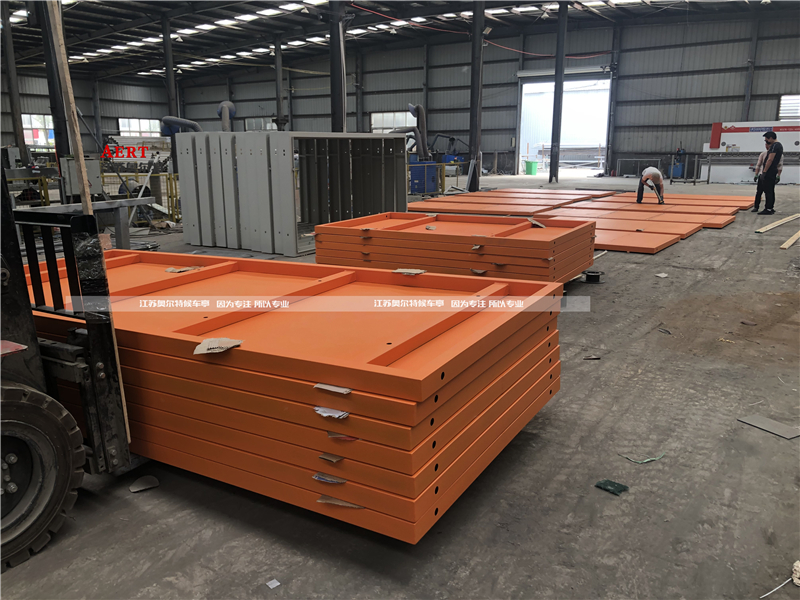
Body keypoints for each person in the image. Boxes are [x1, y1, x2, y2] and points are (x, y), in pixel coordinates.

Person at [752, 139, 784, 212]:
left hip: (770, 174)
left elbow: (780, 166)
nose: (767, 146)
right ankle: (756, 207)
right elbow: (758, 164)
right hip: (762, 175)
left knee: (769, 192)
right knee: (759, 192)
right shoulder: (763, 154)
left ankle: (769, 207)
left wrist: (778, 175)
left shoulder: (779, 155)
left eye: (768, 145)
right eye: (766, 145)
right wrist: (756, 174)